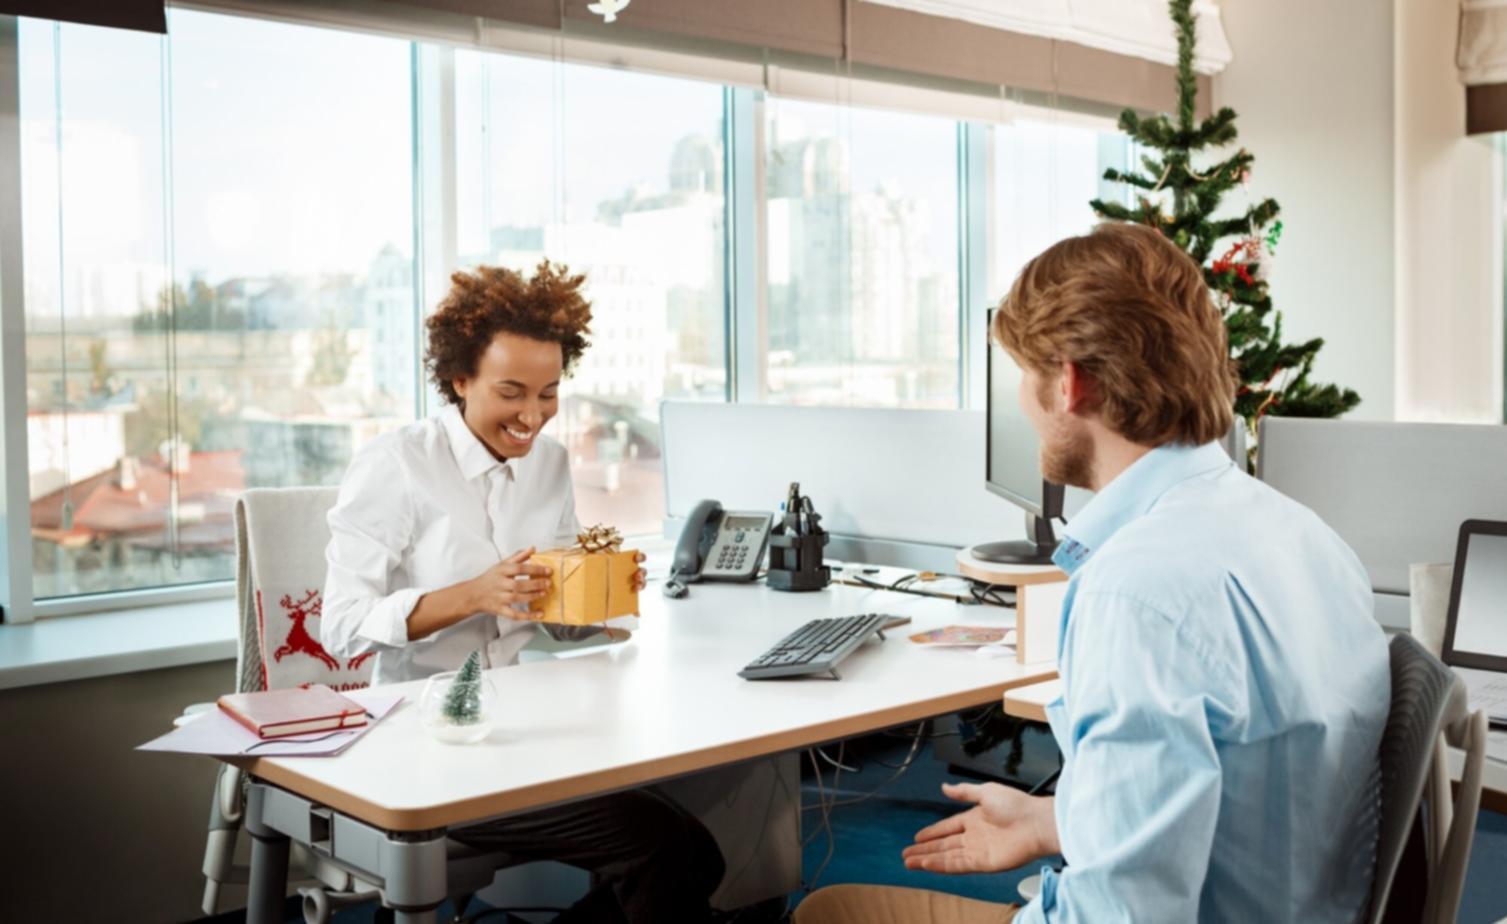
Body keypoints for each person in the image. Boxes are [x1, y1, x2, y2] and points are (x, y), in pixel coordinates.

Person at [796, 222, 1390, 924]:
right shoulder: (1301, 534)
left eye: (1024, 372)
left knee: (830, 911)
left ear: (1069, 384)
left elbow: (1123, 913)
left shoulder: (1137, 591)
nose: (1020, 400)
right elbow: (1245, 789)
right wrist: (1053, 822)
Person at [321, 261, 725, 924]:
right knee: (661, 849)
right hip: (421, 740)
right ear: (459, 380)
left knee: (696, 853)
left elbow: (551, 620)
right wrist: (472, 595)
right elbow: (341, 624)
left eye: (548, 392)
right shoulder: (397, 464)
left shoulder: (549, 465)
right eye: (512, 391)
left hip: (516, 721)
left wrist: (598, 597)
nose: (533, 415)